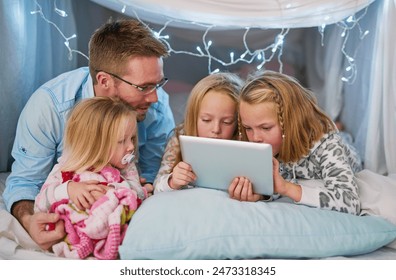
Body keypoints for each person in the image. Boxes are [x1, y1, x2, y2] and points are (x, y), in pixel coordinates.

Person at [3, 19, 175, 250]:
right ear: (104, 81)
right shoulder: (50, 107)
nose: (154, 97)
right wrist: (28, 220)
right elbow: (26, 181)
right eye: (143, 87)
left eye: (159, 83)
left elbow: (153, 172)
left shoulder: (155, 107)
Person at [228, 70, 362, 215]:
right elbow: (275, 180)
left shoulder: (328, 146)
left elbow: (350, 202)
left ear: (291, 123)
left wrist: (286, 188)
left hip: (343, 148)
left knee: (343, 137)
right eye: (248, 128)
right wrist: (261, 195)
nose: (255, 138)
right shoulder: (263, 144)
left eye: (265, 127)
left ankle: (340, 128)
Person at [34, 96, 147, 259]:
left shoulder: (127, 169)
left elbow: (138, 193)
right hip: (75, 230)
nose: (130, 147)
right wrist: (68, 189)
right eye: (122, 141)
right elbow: (40, 203)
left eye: (132, 139)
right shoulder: (66, 168)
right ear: (94, 144)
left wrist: (113, 191)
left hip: (110, 226)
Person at [154, 72, 243, 193]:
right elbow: (157, 186)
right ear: (194, 117)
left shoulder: (243, 143)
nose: (216, 129)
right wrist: (172, 181)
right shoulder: (179, 139)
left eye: (227, 122)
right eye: (206, 120)